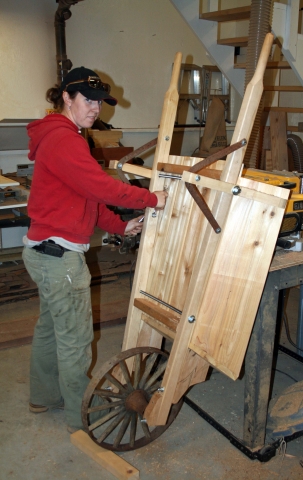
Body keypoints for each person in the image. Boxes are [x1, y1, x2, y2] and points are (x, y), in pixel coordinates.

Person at [22, 66, 168, 433]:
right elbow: (102, 187)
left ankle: (44, 396)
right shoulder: (64, 138)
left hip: (41, 251)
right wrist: (153, 199)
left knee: (50, 328)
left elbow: (88, 194)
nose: (95, 108)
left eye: (99, 102)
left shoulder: (69, 136)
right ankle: (79, 415)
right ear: (66, 98)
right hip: (59, 257)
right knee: (75, 339)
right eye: (87, 99)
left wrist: (121, 225)